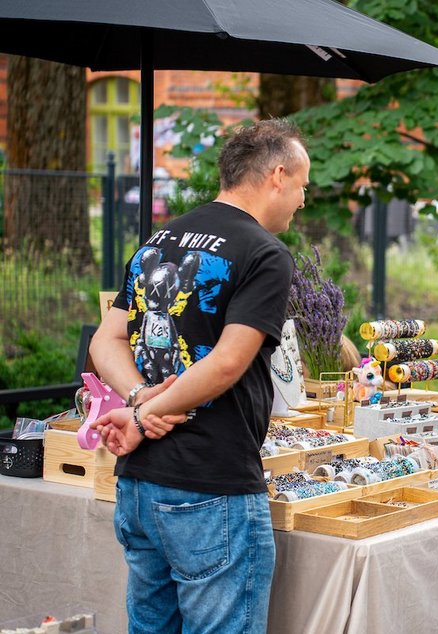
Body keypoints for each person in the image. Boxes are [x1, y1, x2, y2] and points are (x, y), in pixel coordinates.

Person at [89, 119, 309, 634]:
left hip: (141, 484)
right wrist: (144, 412)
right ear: (278, 175)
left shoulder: (159, 239)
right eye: (302, 185)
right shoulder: (265, 252)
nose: (303, 200)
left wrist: (140, 400)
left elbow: (106, 340)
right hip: (212, 486)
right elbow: (229, 362)